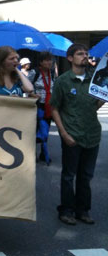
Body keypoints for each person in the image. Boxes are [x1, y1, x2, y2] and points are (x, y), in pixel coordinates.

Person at [50, 43, 104, 226]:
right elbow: (54, 108)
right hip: (72, 135)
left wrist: (102, 100)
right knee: (68, 175)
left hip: (92, 135)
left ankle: (83, 210)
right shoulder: (63, 81)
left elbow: (93, 107)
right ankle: (66, 210)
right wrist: (64, 134)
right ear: (70, 58)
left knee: (86, 176)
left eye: (86, 54)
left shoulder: (94, 80)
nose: (84, 56)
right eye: (80, 54)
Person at [28, 52, 55, 163]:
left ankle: (43, 153)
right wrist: (33, 94)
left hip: (48, 106)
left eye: (50, 60)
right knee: (35, 131)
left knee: (46, 130)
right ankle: (31, 154)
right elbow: (25, 86)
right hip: (37, 106)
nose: (50, 62)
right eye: (47, 60)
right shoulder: (35, 72)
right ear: (41, 62)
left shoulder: (52, 73)